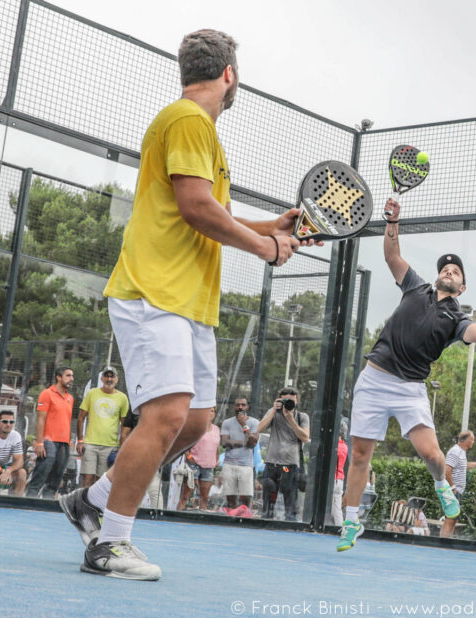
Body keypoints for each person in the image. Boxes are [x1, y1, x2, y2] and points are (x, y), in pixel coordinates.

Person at [58, 28, 314, 581]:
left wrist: (273, 225)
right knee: (168, 413)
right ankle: (110, 543)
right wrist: (268, 247)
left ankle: (91, 500)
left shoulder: (199, 133)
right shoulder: (189, 121)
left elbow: (208, 212)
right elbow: (198, 208)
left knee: (196, 423)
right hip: (156, 292)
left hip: (190, 302)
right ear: (229, 75)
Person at [337, 198, 476, 551]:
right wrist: (393, 222)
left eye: (456, 271)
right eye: (445, 268)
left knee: (433, 456)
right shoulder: (415, 286)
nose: (449, 270)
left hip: (410, 390)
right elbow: (392, 256)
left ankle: (441, 485)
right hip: (373, 380)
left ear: (462, 288)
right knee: (360, 456)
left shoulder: (458, 319)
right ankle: (351, 522)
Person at [258, 388, 310, 521]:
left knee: (290, 503)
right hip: (272, 463)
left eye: (291, 401)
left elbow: (305, 437)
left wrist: (291, 419)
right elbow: (258, 429)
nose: (288, 403)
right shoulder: (273, 413)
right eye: (285, 400)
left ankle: (290, 527)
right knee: (268, 501)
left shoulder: (301, 416)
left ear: (297, 400)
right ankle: (266, 523)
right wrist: (273, 410)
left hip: (290, 465)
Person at [76, 367, 129, 488]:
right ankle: (83, 505)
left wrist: (122, 447)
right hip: (90, 444)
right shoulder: (92, 393)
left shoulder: (122, 398)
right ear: (102, 378)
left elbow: (125, 425)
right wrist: (80, 440)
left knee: (101, 483)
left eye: (112, 376)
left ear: (117, 379)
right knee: (87, 481)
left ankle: (96, 506)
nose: (109, 379)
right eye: (107, 376)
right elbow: (80, 418)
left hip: (110, 447)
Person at [27, 367, 75, 498]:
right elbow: (40, 419)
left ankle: (46, 508)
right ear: (58, 377)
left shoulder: (70, 398)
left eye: (72, 376)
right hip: (48, 441)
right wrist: (40, 443)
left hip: (64, 443)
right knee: (41, 474)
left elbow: (66, 420)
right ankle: (28, 503)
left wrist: (69, 441)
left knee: (56, 479)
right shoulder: (47, 394)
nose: (71, 379)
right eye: (68, 376)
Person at [441, 431, 476, 538]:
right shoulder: (455, 452)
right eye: (472, 439)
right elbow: (447, 470)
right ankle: (443, 542)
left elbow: (465, 465)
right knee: (450, 518)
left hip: (456, 491)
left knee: (454, 518)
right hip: (451, 490)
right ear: (467, 441)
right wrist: (453, 488)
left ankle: (447, 540)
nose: (473, 442)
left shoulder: (461, 452)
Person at [219, 397, 260, 511]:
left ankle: (245, 522)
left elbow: (252, 444)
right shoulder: (227, 422)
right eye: (238, 405)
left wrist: (244, 425)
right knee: (230, 500)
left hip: (246, 465)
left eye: (243, 405)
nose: (240, 407)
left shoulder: (254, 422)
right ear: (234, 407)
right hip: (229, 464)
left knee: (246, 500)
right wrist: (243, 442)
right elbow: (224, 442)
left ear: (247, 407)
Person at [177, 418, 219, 511]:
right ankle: (178, 514)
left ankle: (202, 518)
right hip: (194, 464)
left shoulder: (216, 429)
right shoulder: (196, 427)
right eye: (209, 410)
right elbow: (185, 443)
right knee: (186, 495)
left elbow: (216, 447)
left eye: (212, 411)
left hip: (208, 466)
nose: (210, 413)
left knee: (204, 498)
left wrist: (216, 459)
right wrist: (188, 456)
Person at [332, 420, 349, 525]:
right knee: (337, 507)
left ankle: (339, 526)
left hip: (333, 479)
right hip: (340, 479)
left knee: (334, 508)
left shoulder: (335, 447)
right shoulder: (344, 446)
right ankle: (339, 526)